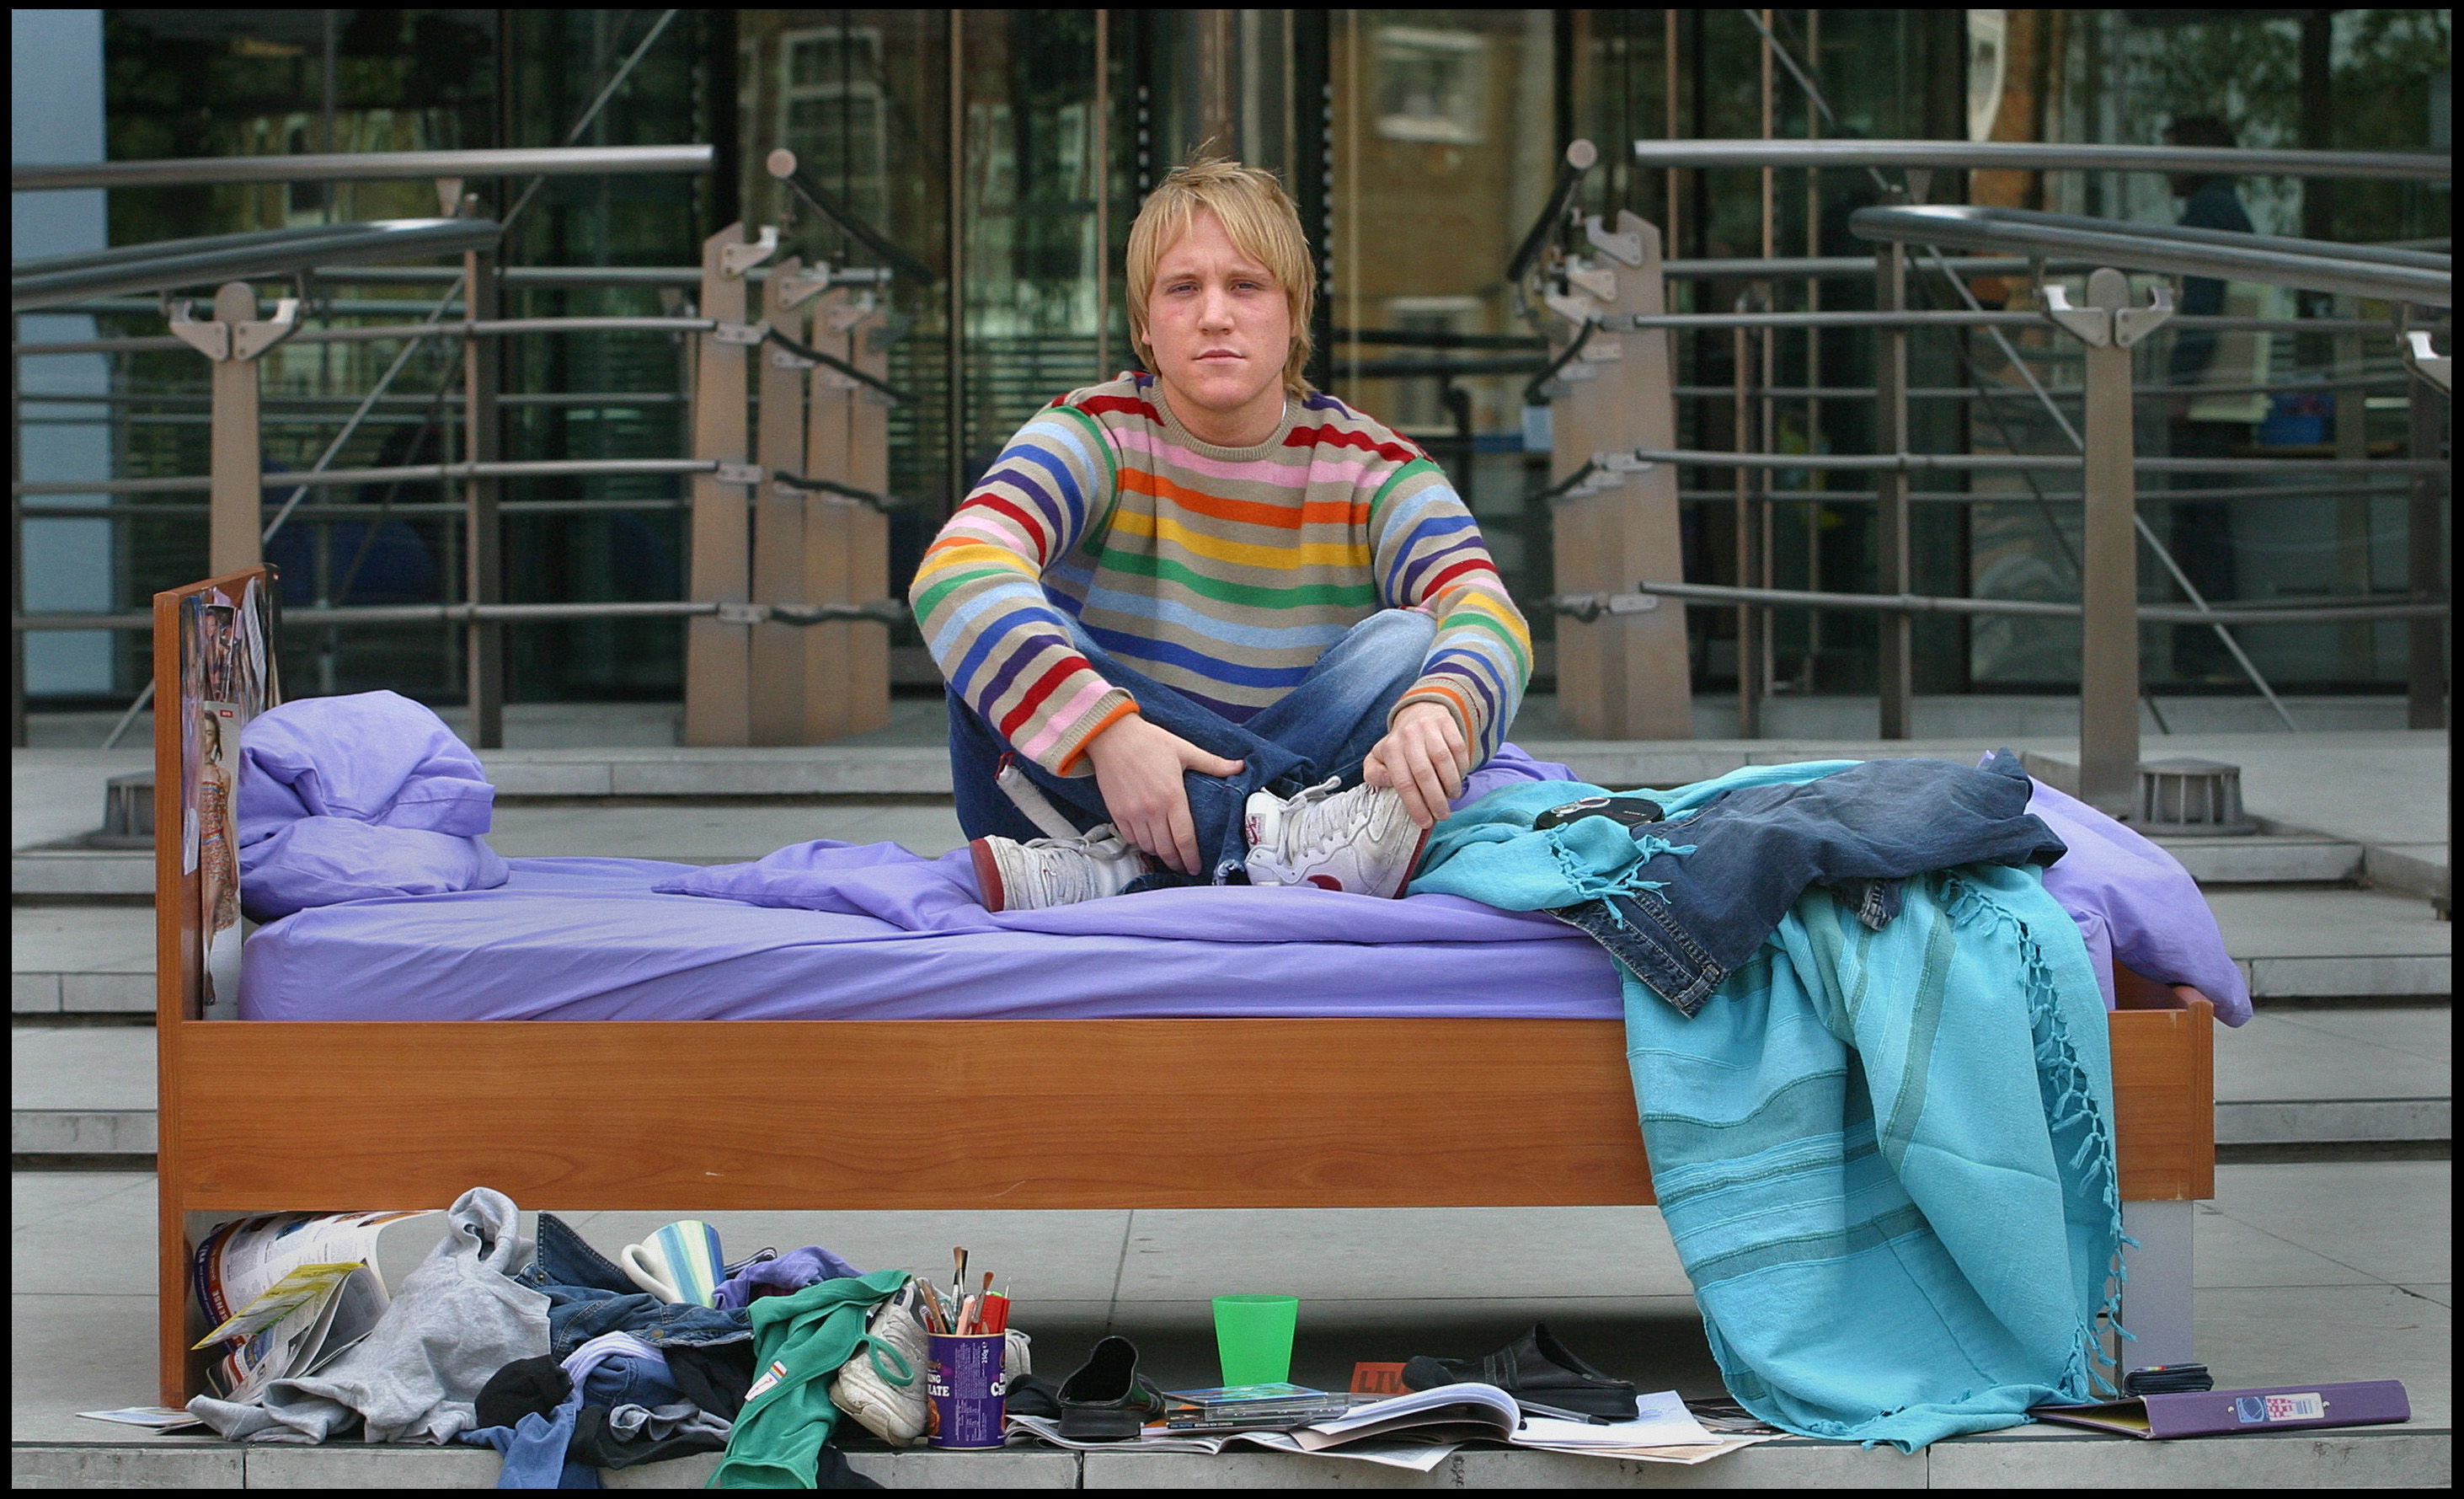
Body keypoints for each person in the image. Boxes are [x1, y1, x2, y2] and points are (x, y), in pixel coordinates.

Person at [910, 156, 1531, 912]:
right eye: (1182, 288)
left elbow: (1484, 606)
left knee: (1411, 644)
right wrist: (1109, 732)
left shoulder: (1376, 468)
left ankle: (1135, 869)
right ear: (1144, 323)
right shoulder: (1093, 433)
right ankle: (1264, 845)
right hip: (1076, 805)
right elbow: (955, 570)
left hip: (1073, 857)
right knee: (992, 618)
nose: (1214, 315)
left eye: (1245, 285)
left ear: (1295, 313)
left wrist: (1441, 706)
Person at [2162, 115, 2253, 682]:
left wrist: (2180, 385)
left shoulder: (2208, 212)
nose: (2163, 170)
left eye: (2171, 154)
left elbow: (2202, 305)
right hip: (2221, 394)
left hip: (2206, 398)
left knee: (2198, 525)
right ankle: (2208, 648)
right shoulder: (2226, 208)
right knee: (2205, 520)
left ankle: (2203, 651)